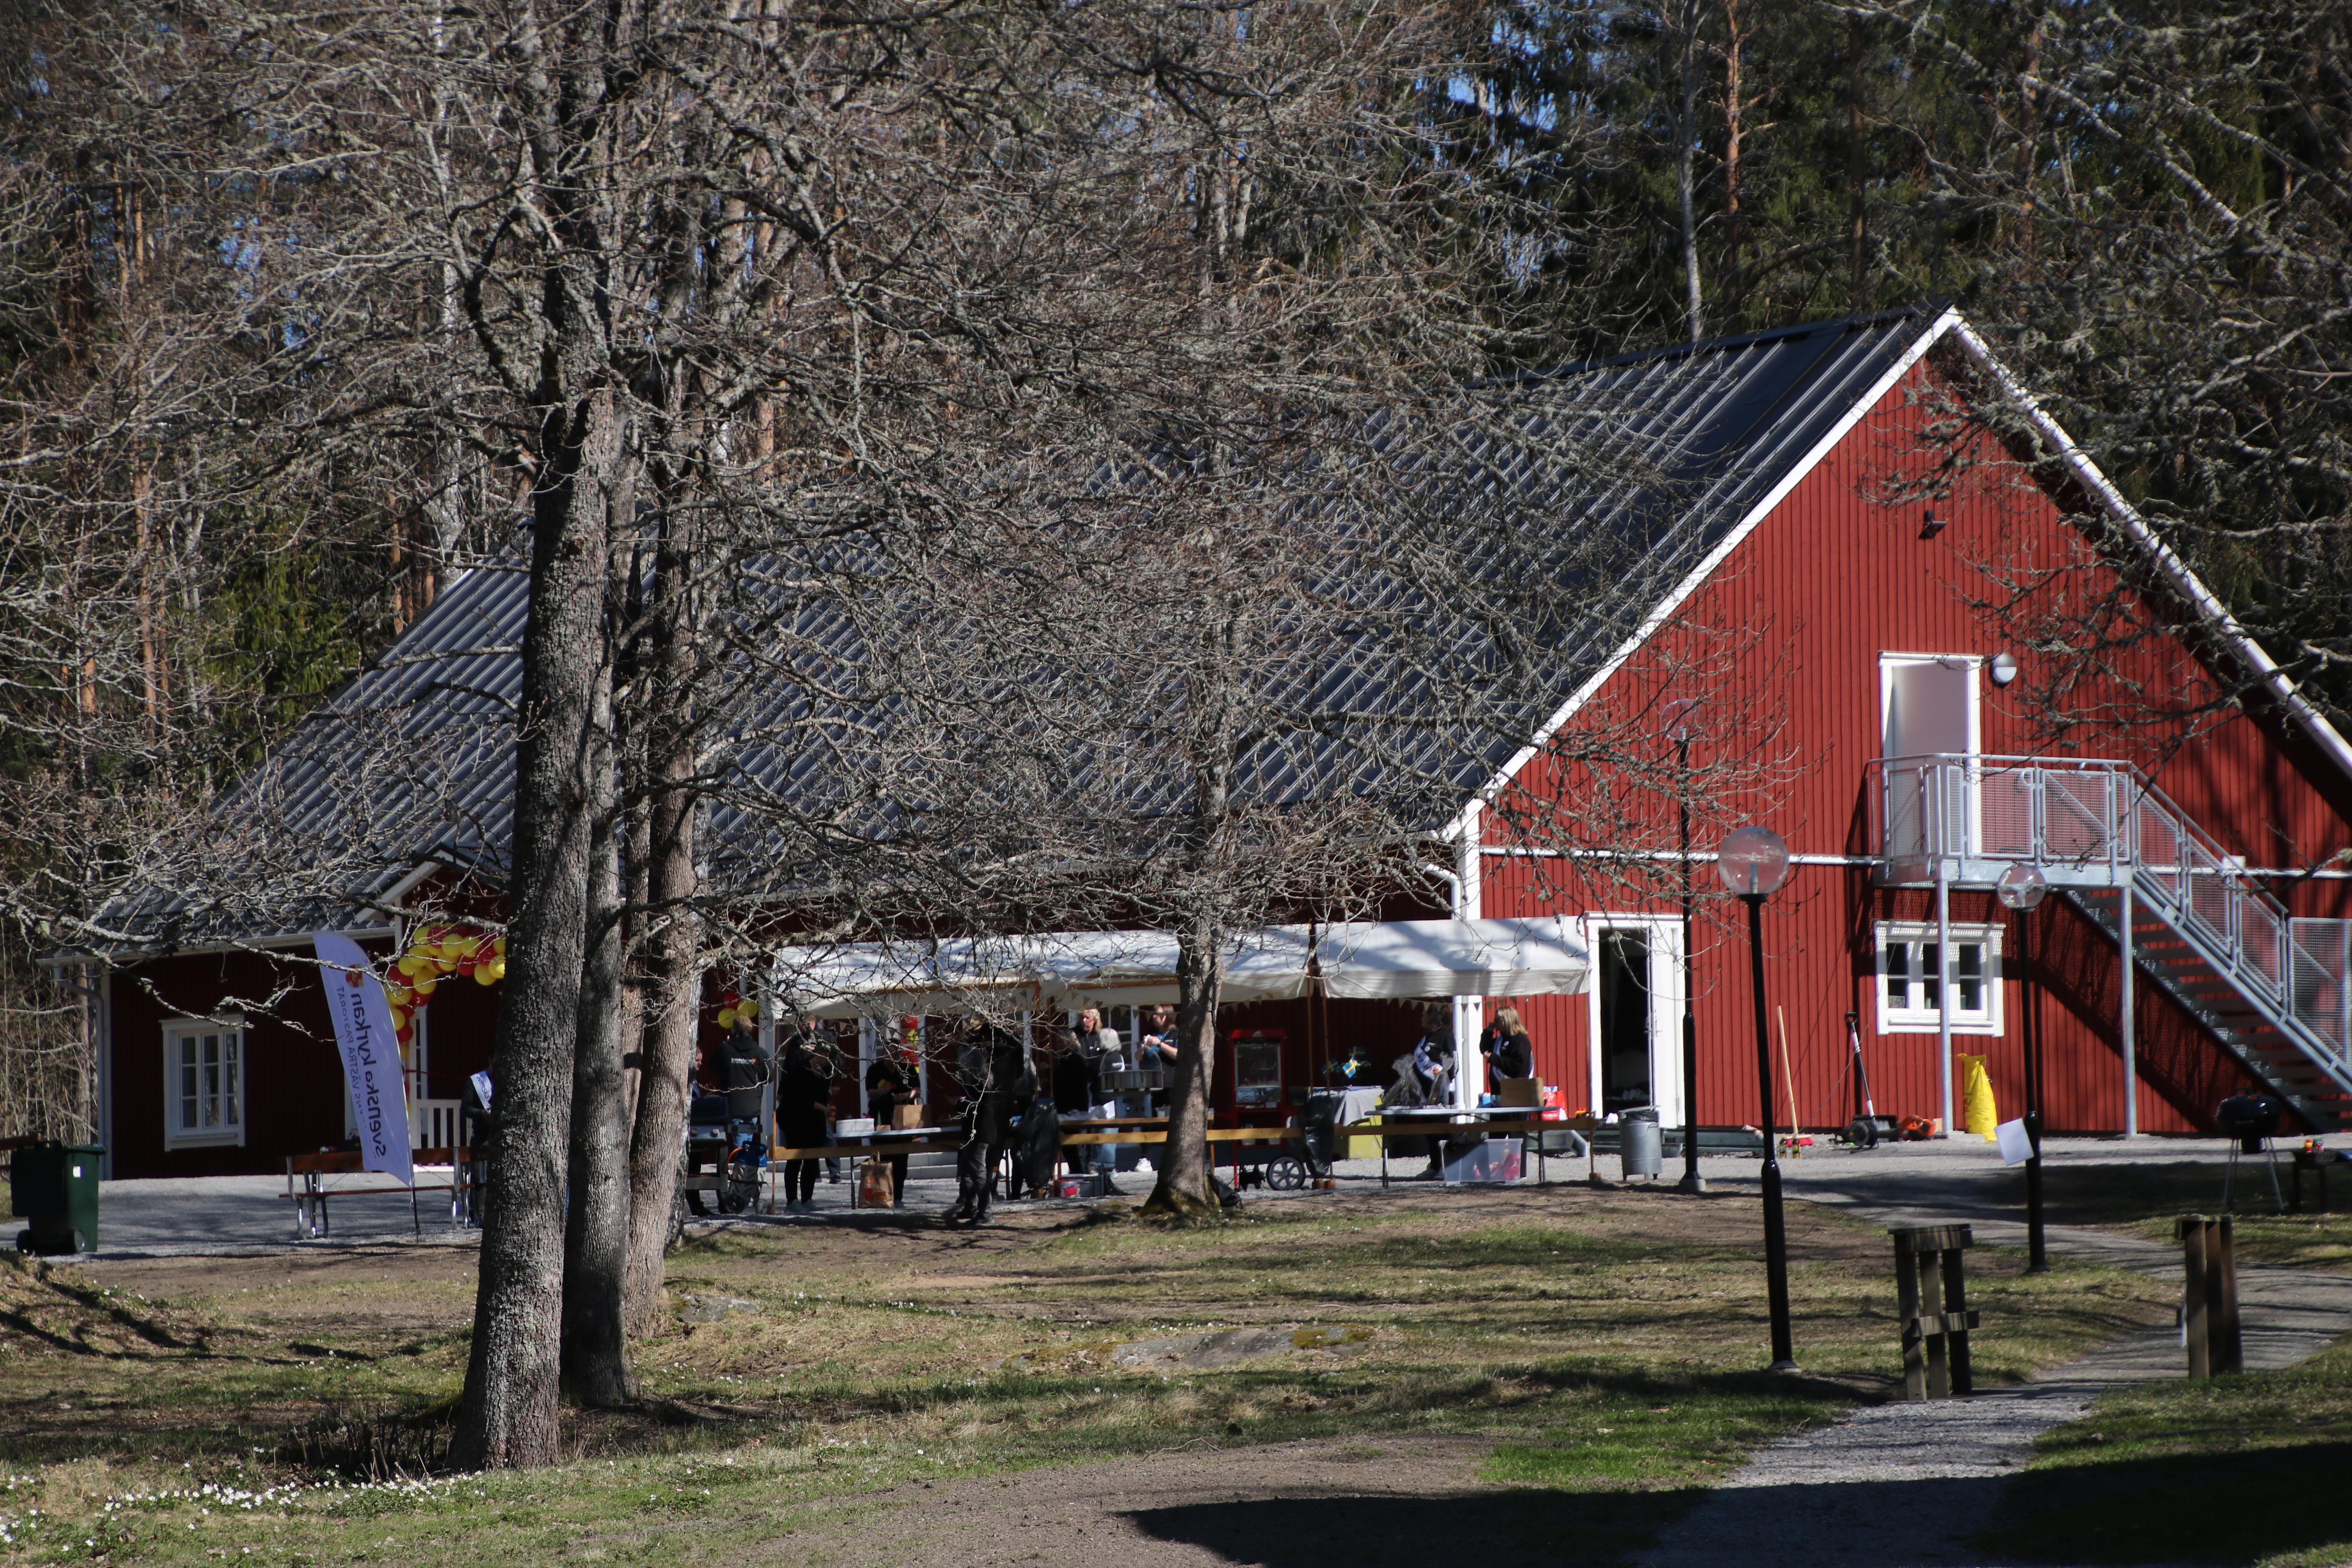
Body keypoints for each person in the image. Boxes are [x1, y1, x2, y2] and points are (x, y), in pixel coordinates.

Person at [948, 1017, 1033, 1224]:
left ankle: (983, 1209)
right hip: (991, 1116)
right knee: (975, 1165)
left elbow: (975, 1104)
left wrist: (957, 1104)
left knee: (977, 1167)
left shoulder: (982, 1072)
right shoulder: (1007, 1052)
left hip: (983, 1123)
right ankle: (973, 1204)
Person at [776, 1026, 833, 1212]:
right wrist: (821, 1107)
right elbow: (799, 1099)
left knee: (812, 1158)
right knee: (795, 1159)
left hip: (815, 1119)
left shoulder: (827, 1072)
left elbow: (823, 1097)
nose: (831, 1062)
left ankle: (807, 1198)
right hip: (795, 1118)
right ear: (820, 1054)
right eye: (829, 1057)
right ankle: (792, 1201)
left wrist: (827, 1109)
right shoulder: (800, 1070)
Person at [864, 1040, 919, 1207]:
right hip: (881, 1118)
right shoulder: (875, 1069)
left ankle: (899, 1197)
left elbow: (916, 1091)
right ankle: (882, 1197)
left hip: (903, 1119)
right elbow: (871, 1094)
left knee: (902, 1160)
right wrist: (880, 1093)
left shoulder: (908, 1069)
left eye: (897, 1052)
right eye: (891, 1051)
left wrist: (905, 1097)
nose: (894, 1055)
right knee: (883, 1158)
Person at [1410, 1004, 1457, 1178]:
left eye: (1424, 1014)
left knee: (1442, 1129)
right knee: (1430, 1129)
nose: (1421, 1017)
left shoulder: (1446, 1036)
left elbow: (1454, 1063)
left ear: (1434, 1017)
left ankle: (1449, 1166)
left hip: (1441, 1093)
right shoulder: (1427, 1037)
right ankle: (1435, 1165)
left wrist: (1443, 1079)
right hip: (1425, 1092)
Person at [1482, 1006, 1534, 1085]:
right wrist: (1488, 1033)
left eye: (1497, 1020)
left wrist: (1494, 1059)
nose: (1495, 1022)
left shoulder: (1520, 1040)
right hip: (1499, 1091)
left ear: (1506, 1020)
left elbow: (1517, 1065)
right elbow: (1485, 1049)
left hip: (1515, 1089)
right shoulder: (1501, 1039)